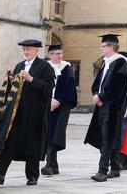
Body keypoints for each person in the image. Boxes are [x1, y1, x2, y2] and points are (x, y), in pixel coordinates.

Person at [0, 39, 54, 187]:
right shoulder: (19, 65)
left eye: (29, 49)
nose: (26, 52)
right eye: (24, 49)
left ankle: (32, 176)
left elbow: (48, 88)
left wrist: (31, 79)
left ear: (37, 51)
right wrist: (11, 80)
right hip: (16, 113)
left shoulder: (45, 67)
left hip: (34, 114)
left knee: (32, 145)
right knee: (9, 142)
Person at [84, 34, 127, 182]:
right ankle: (115, 168)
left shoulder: (120, 62)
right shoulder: (106, 62)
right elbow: (98, 82)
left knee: (107, 137)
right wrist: (96, 94)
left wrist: (101, 97)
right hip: (103, 104)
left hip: (113, 106)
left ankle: (102, 170)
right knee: (108, 136)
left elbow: (117, 86)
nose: (101, 48)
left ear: (112, 47)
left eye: (104, 46)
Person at [42, 44, 77, 176]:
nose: (60, 56)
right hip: (46, 105)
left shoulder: (67, 69)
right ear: (50, 55)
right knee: (47, 133)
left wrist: (59, 101)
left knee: (56, 134)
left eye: (61, 53)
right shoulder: (45, 68)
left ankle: (49, 164)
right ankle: (54, 166)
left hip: (62, 107)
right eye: (57, 53)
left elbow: (70, 88)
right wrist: (48, 100)